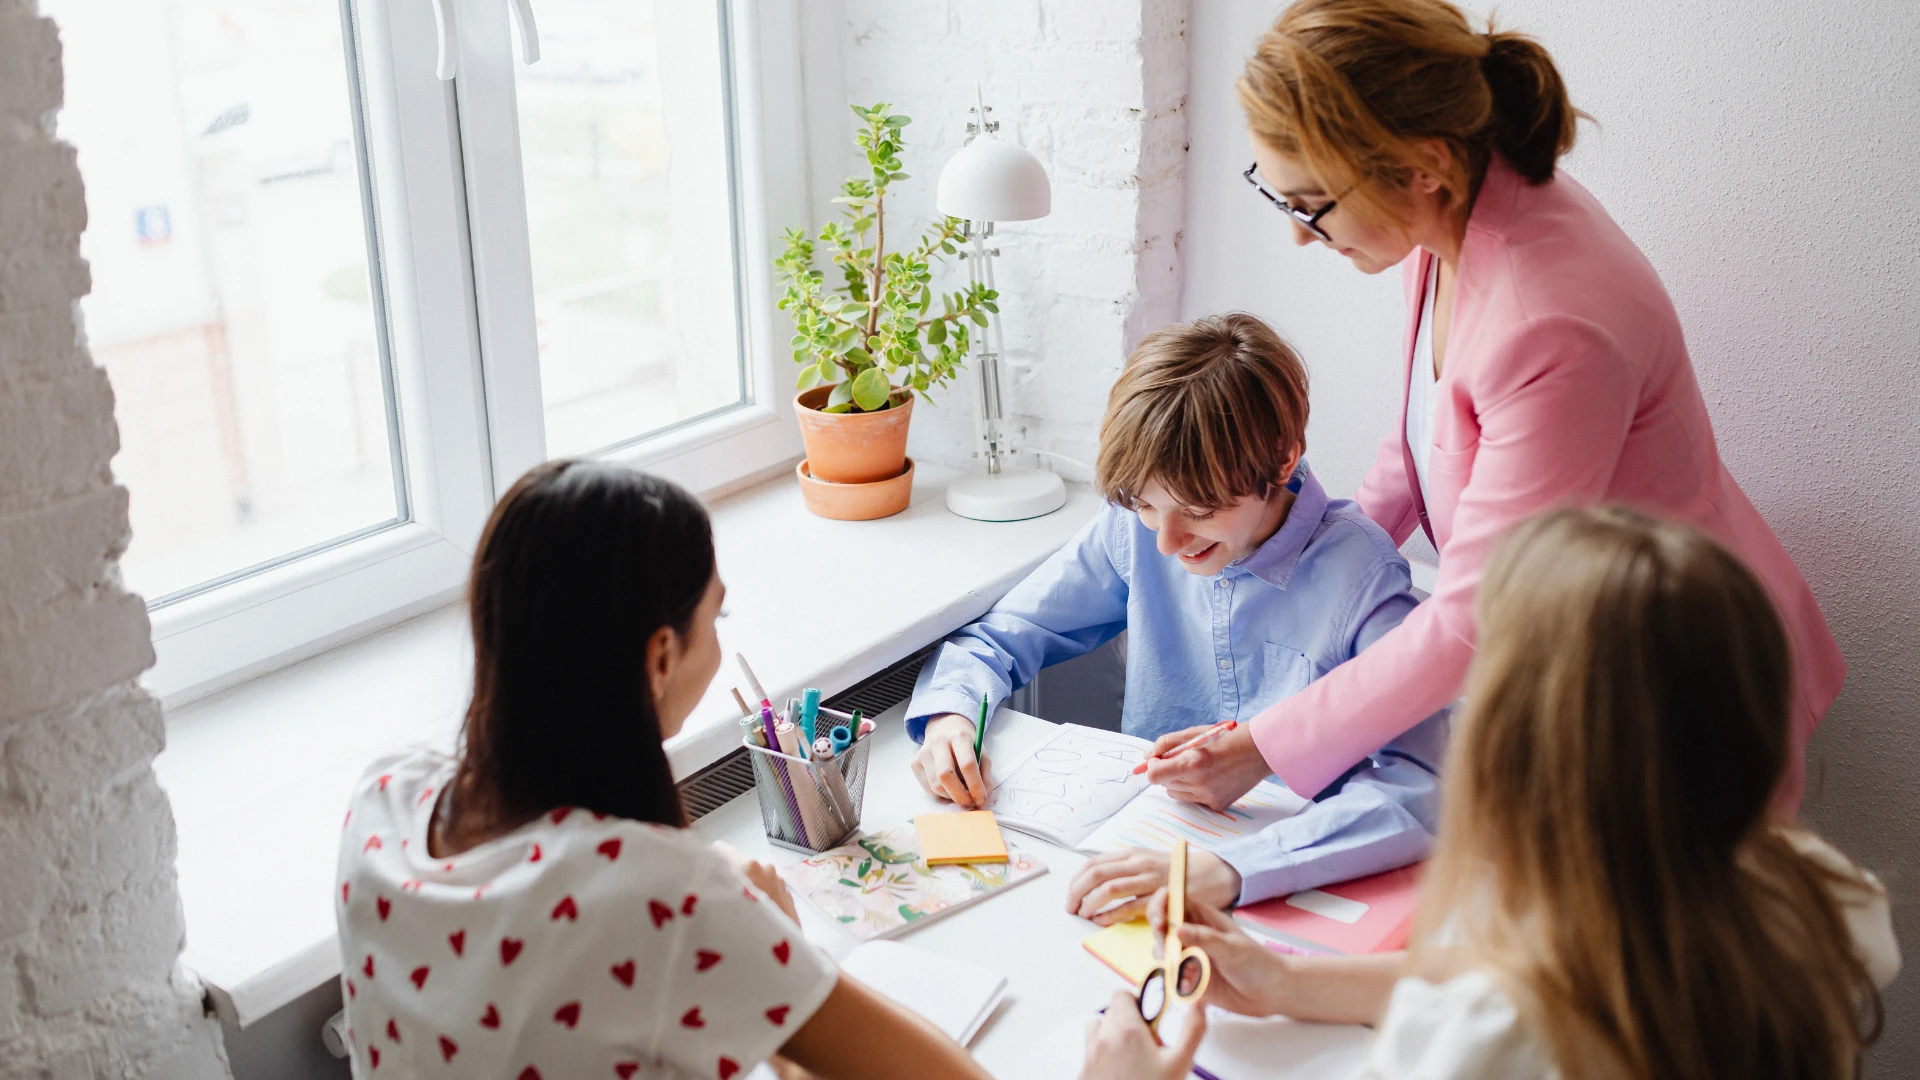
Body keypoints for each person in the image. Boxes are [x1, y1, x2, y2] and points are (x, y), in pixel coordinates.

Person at [1149, 0, 1844, 818]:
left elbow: (1475, 617)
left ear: (1423, 166)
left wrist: (1264, 748)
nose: (1302, 236)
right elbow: (1420, 444)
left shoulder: (1549, 323)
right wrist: (1300, 548)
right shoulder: (1448, 217)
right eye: (1280, 197)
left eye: (1312, 206)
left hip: (1677, 677)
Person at [1082, 508, 1897, 1080]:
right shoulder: (1825, 896)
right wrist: (1291, 985)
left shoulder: (1480, 1046)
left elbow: (1515, 994)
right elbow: (1531, 967)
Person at [335, 460, 988, 1080]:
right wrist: (777, 939)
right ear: (659, 657)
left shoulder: (383, 801)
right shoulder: (664, 899)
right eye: (716, 615)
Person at [905, 314, 1448, 917]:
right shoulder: (1133, 532)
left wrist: (1232, 871)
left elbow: (1422, 789)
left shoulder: (1363, 577)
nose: (1166, 542)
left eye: (1199, 509)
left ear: (1283, 457)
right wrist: (950, 717)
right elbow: (1000, 638)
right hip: (1135, 857)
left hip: (1289, 887)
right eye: (1144, 504)